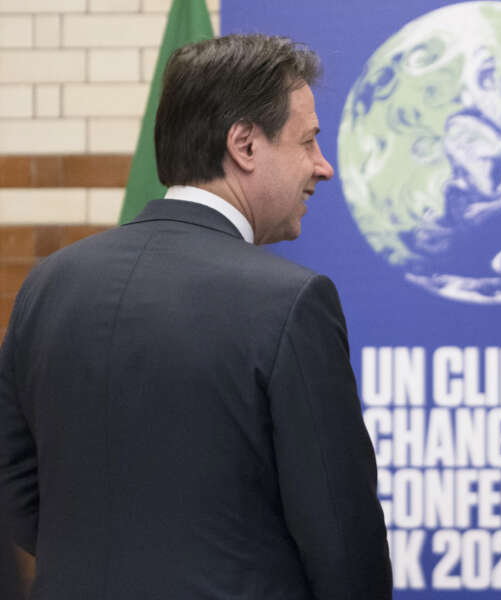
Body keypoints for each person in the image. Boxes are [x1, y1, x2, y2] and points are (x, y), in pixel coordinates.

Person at [0, 34, 392, 599]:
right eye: (308, 141)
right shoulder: (291, 301)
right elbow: (341, 536)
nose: (322, 167)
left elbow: (14, 488)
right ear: (245, 146)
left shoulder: (47, 284)